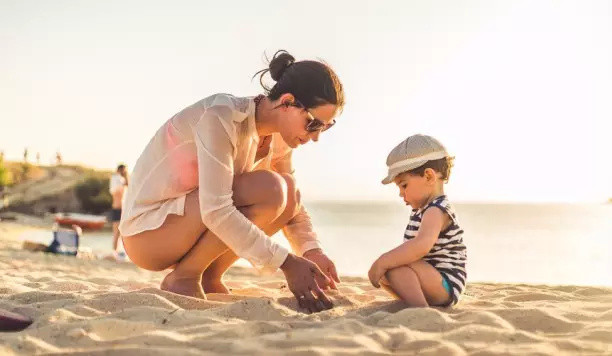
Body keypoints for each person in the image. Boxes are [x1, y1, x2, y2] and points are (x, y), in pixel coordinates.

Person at [119, 50, 344, 313]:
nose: (315, 137)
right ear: (287, 102)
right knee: (271, 189)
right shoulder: (222, 116)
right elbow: (216, 209)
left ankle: (208, 276)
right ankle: (184, 277)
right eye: (313, 124)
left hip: (187, 224)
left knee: (288, 191)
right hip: (147, 234)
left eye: (325, 127)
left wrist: (310, 251)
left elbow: (292, 205)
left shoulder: (281, 136)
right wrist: (287, 263)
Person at [368, 134, 467, 307]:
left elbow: (421, 246)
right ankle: (415, 302)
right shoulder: (422, 210)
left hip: (445, 284)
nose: (401, 193)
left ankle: (420, 308)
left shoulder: (437, 209)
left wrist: (383, 261)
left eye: (404, 185)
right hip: (430, 280)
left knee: (395, 263)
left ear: (429, 177)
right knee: (391, 268)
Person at [109, 164, 128, 260]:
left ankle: (118, 251)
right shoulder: (117, 179)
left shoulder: (121, 180)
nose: (125, 172)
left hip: (122, 209)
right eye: (124, 170)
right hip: (117, 208)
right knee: (116, 232)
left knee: (121, 232)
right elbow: (115, 191)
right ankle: (114, 252)